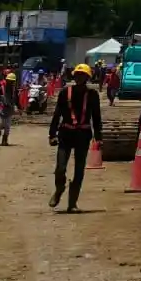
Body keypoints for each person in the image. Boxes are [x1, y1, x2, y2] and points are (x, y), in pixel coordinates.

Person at [48, 62, 103, 213]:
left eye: (83, 76)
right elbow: (57, 114)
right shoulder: (65, 93)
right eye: (78, 75)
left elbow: (96, 117)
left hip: (83, 136)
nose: (79, 78)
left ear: (87, 78)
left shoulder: (93, 95)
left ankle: (72, 203)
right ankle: (59, 190)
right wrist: (52, 134)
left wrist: (99, 137)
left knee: (79, 170)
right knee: (60, 168)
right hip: (66, 133)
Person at [0, 69, 19, 145]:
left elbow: (16, 99)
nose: (10, 83)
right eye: (9, 81)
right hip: (1, 107)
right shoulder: (1, 86)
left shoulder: (14, 90)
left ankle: (5, 139)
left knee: (7, 126)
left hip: (9, 109)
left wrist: (17, 106)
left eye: (12, 81)